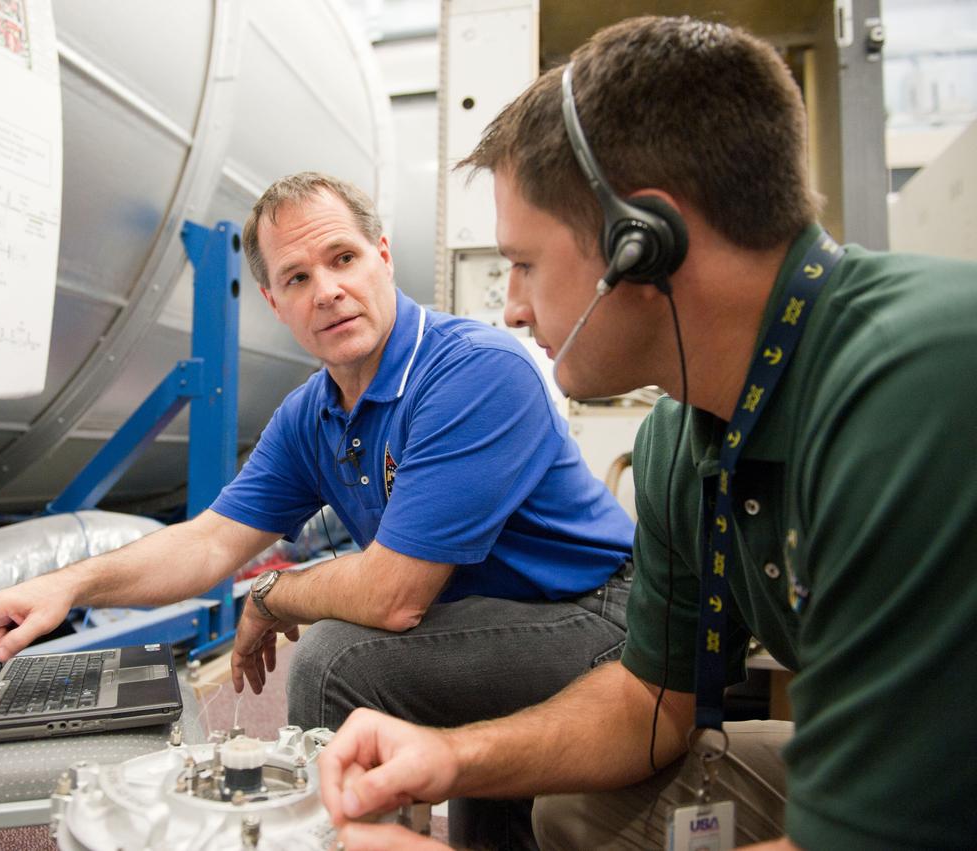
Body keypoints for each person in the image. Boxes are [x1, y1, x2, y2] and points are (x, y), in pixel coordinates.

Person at [318, 16, 977, 851]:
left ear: (644, 244)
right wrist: (450, 756)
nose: (511, 307)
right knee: (575, 808)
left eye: (524, 263)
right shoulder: (681, 439)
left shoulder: (912, 384)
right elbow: (649, 703)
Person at [0, 172, 635, 845]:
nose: (327, 291)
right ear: (274, 302)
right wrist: (67, 585)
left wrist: (274, 593)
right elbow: (209, 542)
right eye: (297, 278)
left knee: (337, 659)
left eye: (343, 258)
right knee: (494, 831)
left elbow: (393, 596)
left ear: (383, 256)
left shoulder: (472, 371)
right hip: (483, 622)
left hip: (601, 617)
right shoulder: (311, 414)